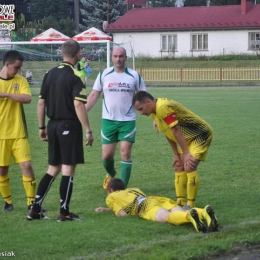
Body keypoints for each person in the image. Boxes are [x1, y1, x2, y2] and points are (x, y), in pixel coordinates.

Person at [27, 40, 94, 221]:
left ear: (62, 53)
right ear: (78, 53)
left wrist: (42, 127)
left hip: (52, 125)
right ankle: (64, 212)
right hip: (69, 125)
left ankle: (35, 210)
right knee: (67, 170)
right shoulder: (75, 75)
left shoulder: (49, 73)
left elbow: (41, 103)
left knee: (53, 169)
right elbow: (78, 104)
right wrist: (88, 130)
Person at [132, 91, 213, 209]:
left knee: (189, 165)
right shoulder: (154, 112)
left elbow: (175, 130)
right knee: (178, 165)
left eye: (141, 109)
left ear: (148, 102)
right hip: (186, 138)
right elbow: (167, 132)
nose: (141, 113)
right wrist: (176, 154)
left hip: (200, 134)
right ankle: (180, 202)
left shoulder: (162, 107)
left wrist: (185, 153)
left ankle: (190, 204)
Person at [85, 46, 147, 190]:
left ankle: (121, 190)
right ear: (111, 57)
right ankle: (111, 173)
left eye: (121, 56)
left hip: (127, 121)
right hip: (108, 121)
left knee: (125, 153)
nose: (118, 59)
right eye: (115, 56)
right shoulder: (104, 74)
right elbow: (94, 95)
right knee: (107, 157)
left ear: (126, 57)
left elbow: (144, 97)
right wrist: (82, 112)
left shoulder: (134, 76)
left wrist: (155, 116)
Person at [95, 178, 218, 233]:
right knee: (178, 212)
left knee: (168, 218)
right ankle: (204, 212)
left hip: (145, 207)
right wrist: (107, 210)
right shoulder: (133, 189)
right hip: (156, 199)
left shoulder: (110, 197)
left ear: (110, 189)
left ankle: (189, 215)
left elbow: (123, 214)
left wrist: (113, 209)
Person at [0, 50, 38, 212]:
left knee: (27, 166)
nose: (18, 71)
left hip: (18, 132)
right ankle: (8, 202)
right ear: (7, 64)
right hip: (1, 135)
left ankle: (32, 203)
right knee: (2, 169)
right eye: (16, 67)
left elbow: (27, 98)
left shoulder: (20, 80)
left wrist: (6, 94)